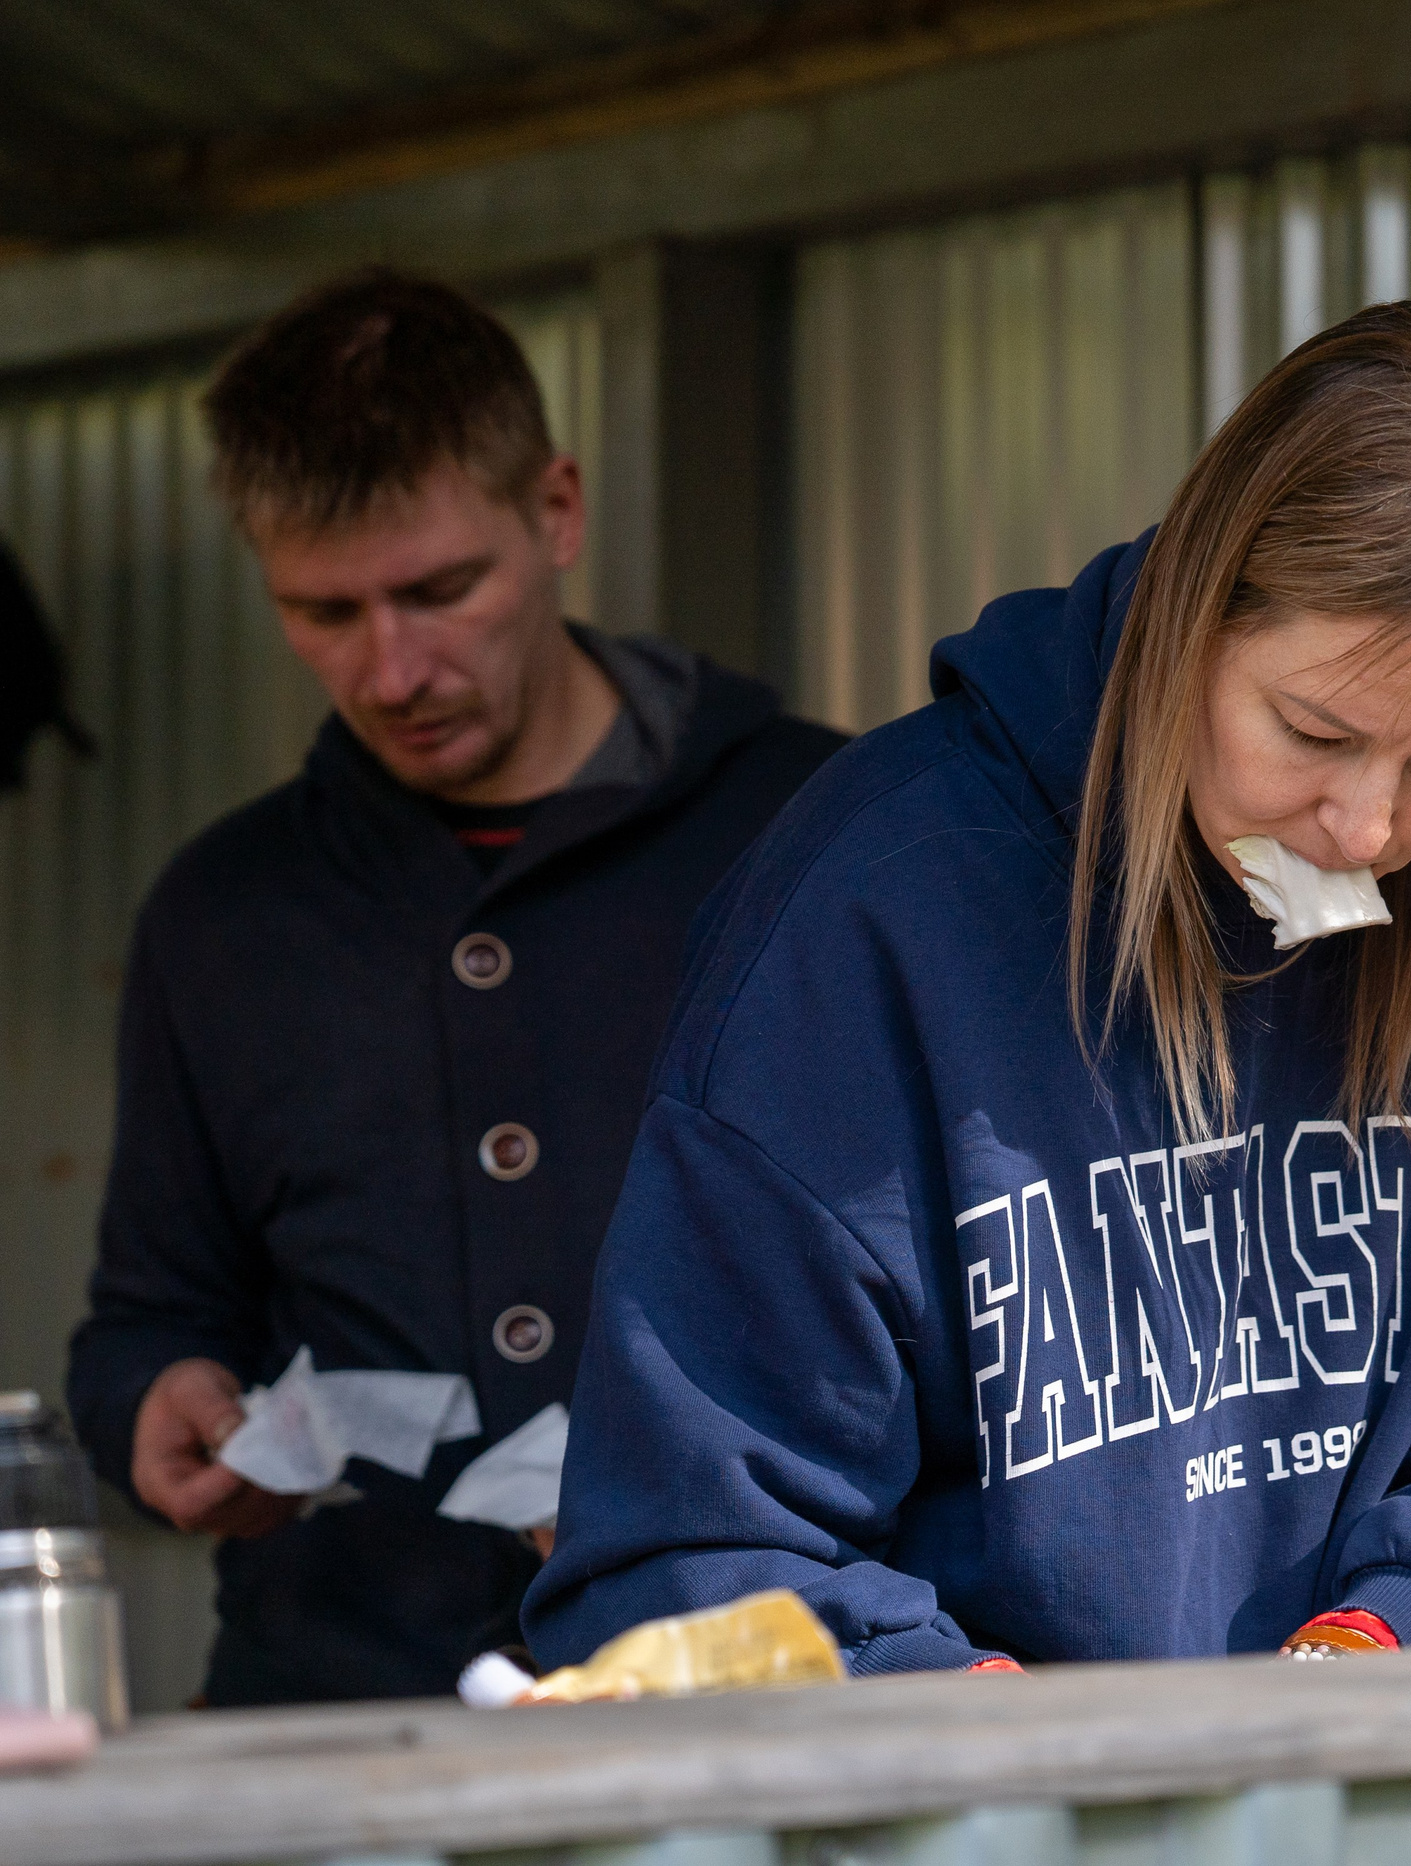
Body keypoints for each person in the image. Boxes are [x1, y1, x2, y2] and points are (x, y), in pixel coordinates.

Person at [522, 301, 1411, 1675]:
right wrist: (1009, 1751)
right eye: (1312, 729)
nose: (1365, 828)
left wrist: (1395, 1649)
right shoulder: (870, 915)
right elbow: (691, 1551)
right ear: (1194, 613)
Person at [65, 269, 844, 1706]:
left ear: (556, 510)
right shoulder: (219, 915)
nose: (393, 666)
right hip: (339, 1709)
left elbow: (977, 1268)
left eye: (441, 589)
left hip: (748, 1688)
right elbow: (149, 1311)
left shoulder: (816, 831)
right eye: (324, 609)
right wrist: (153, 1402)